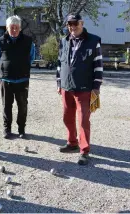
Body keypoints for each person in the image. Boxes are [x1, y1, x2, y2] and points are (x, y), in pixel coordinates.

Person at [56, 14, 103, 165]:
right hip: (66, 87)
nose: (72, 26)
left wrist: (96, 87)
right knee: (67, 117)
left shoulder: (93, 41)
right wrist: (59, 83)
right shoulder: (64, 41)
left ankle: (84, 150)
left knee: (83, 120)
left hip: (84, 88)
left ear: (81, 23)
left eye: (75, 23)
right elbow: (59, 63)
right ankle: (72, 143)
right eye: (69, 23)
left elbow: (98, 66)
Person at [0, 15, 36, 139]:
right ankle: (7, 129)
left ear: (20, 28)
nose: (14, 30)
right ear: (7, 28)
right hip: (6, 79)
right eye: (11, 27)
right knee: (7, 105)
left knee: (22, 105)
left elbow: (32, 57)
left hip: (22, 79)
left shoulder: (28, 41)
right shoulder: (0, 41)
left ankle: (21, 129)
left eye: (16, 27)